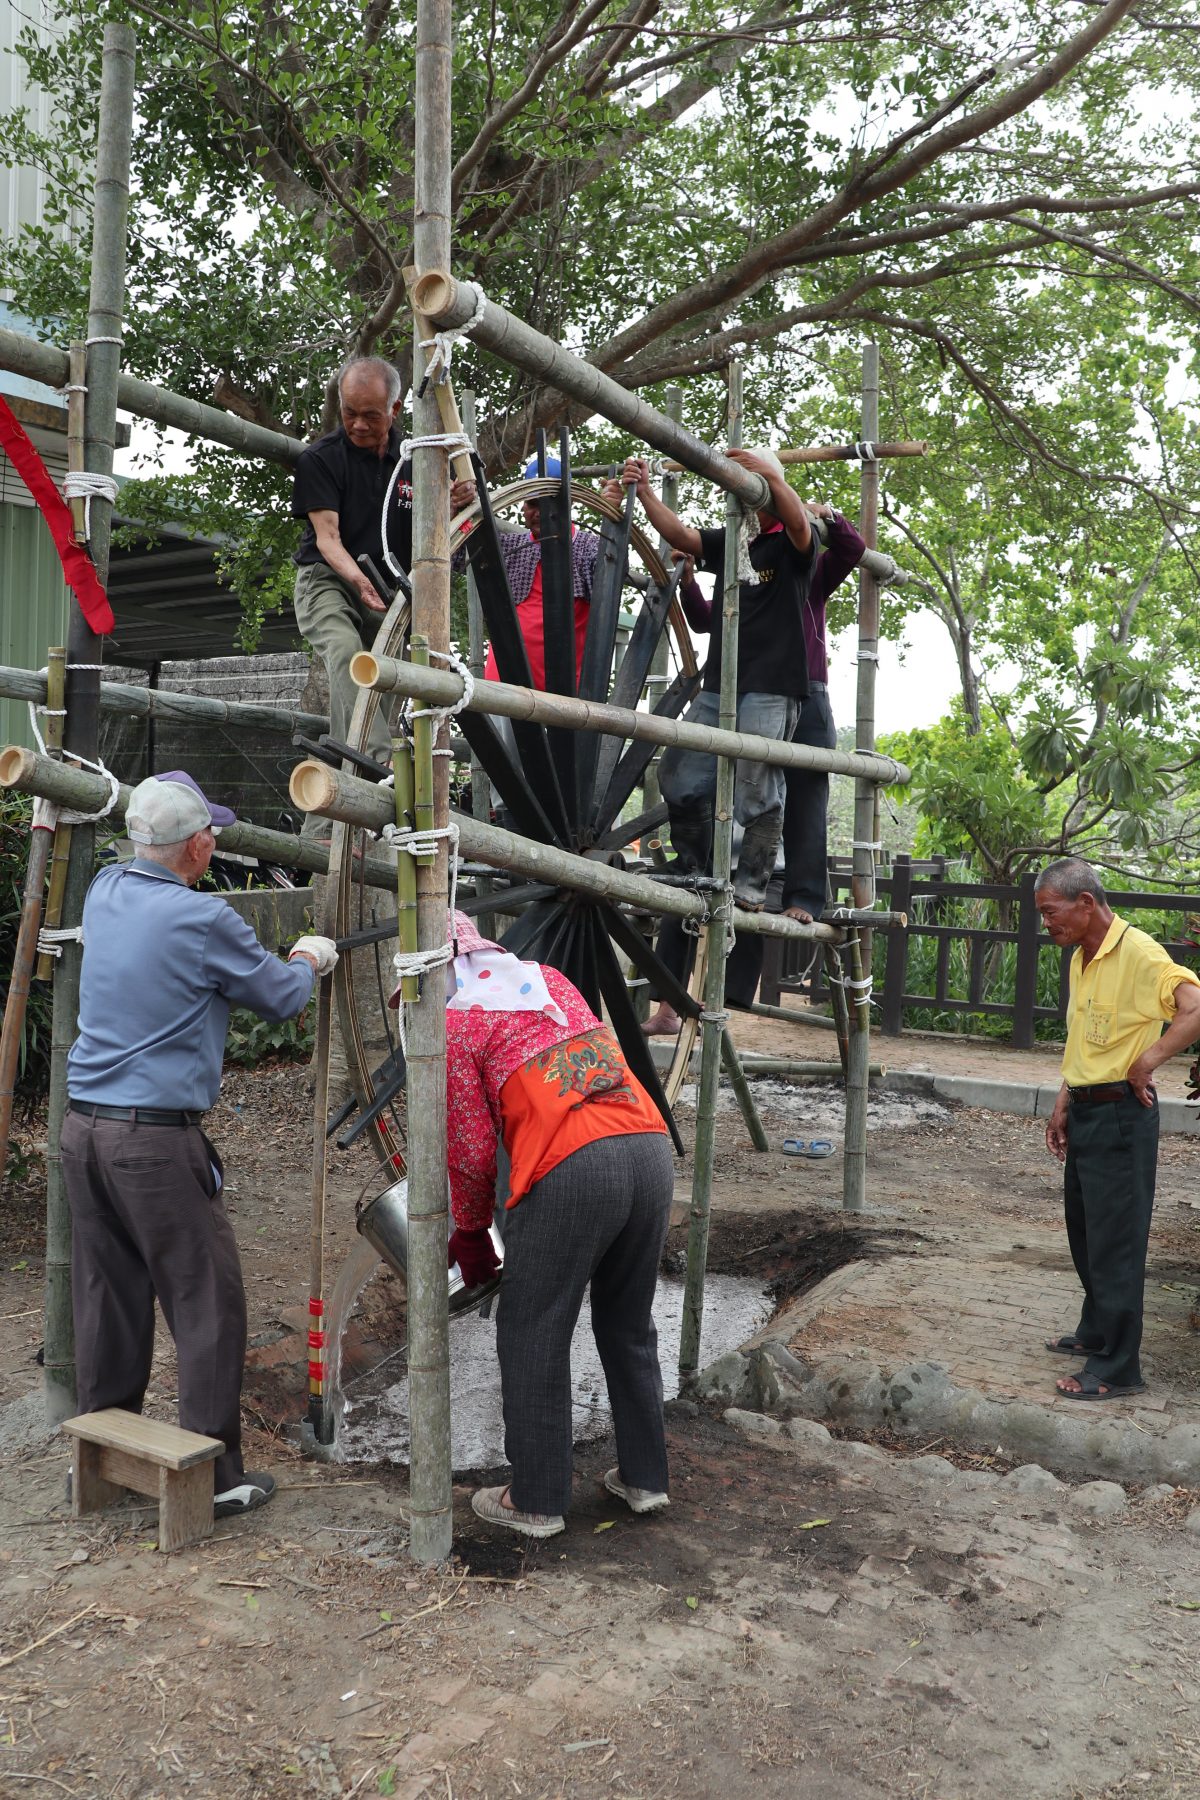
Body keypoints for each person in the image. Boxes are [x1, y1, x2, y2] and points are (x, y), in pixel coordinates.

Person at [61, 771, 339, 1518]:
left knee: (108, 1295)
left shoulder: (105, 891)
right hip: (152, 1144)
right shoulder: (203, 920)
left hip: (83, 1132)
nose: (216, 841)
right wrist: (309, 956)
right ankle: (215, 1477)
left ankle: (101, 1456)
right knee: (206, 1299)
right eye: (210, 832)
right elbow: (279, 999)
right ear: (198, 845)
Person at [393, 911, 674, 1537]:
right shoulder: (548, 980)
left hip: (573, 1167)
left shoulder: (458, 1024)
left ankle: (538, 1499)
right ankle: (645, 1479)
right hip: (648, 1146)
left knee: (533, 1327)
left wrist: (468, 1232)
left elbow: (467, 1150)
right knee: (628, 1322)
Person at [616, 449, 817, 1031]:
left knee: (757, 784)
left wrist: (771, 475)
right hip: (719, 685)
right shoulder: (735, 545)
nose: (748, 511)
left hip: (772, 688)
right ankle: (700, 861)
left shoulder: (792, 546)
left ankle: (752, 882)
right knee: (678, 774)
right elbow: (679, 534)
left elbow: (800, 521)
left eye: (754, 500)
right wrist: (647, 490)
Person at [1038, 858, 1200, 1400]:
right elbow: (1084, 1036)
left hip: (1121, 1116)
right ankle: (1095, 1331)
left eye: (1051, 912)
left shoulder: (1141, 954)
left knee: (1117, 1242)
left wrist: (1147, 1061)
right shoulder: (1083, 957)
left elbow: (1195, 1009)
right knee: (1085, 1230)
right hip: (1086, 1107)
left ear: (1086, 904)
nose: (1046, 924)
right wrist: (1063, 1099)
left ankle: (1119, 1366)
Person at [291, 355, 476, 771]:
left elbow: (428, 533)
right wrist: (359, 581)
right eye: (349, 413)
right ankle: (380, 764)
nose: (358, 424)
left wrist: (447, 508)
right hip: (330, 578)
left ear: (394, 410)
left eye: (370, 415)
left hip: (391, 587)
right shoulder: (319, 459)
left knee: (378, 686)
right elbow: (328, 539)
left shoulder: (420, 461)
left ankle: (328, 824)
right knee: (344, 653)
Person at [481, 456, 601, 692]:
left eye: (550, 502)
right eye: (534, 504)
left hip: (563, 694)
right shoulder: (509, 547)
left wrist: (613, 522)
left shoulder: (589, 546)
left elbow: (613, 577)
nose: (540, 512)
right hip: (503, 685)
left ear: (569, 503)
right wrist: (456, 505)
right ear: (524, 507)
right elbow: (455, 554)